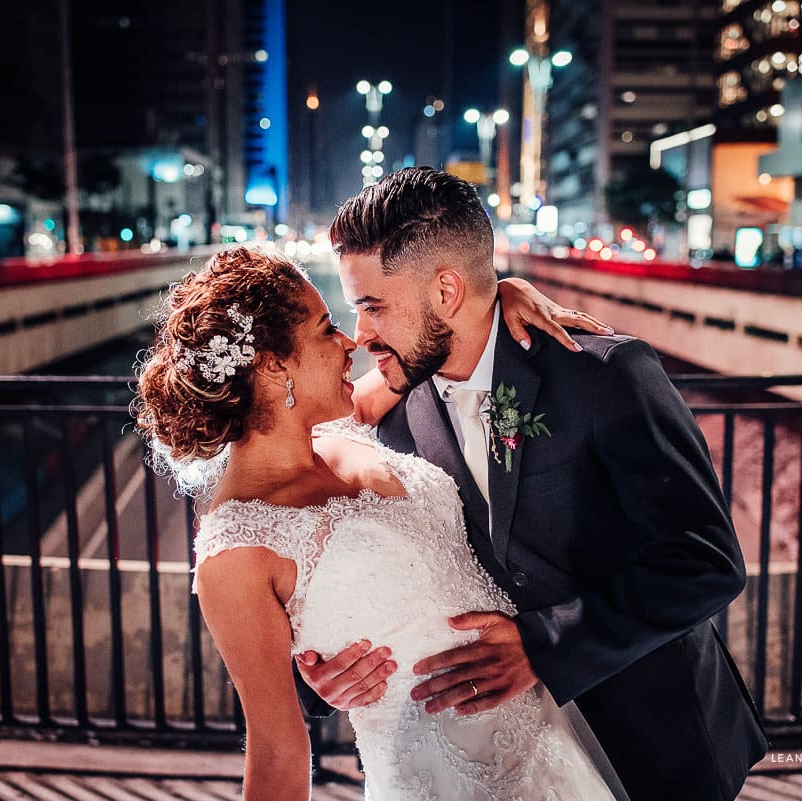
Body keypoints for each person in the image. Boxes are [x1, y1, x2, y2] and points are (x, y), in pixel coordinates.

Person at [297, 167, 770, 801]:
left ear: (445, 290)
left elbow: (707, 562)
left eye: (374, 306)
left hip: (653, 733)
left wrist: (544, 647)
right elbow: (398, 567)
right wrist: (320, 683)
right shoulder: (402, 413)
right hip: (516, 757)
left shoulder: (604, 376)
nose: (361, 336)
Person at [133, 246, 629, 800]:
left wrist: (498, 293)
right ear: (274, 366)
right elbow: (277, 748)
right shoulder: (235, 552)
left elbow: (431, 350)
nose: (351, 343)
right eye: (326, 331)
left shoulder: (348, 424)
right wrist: (315, 676)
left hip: (550, 743)